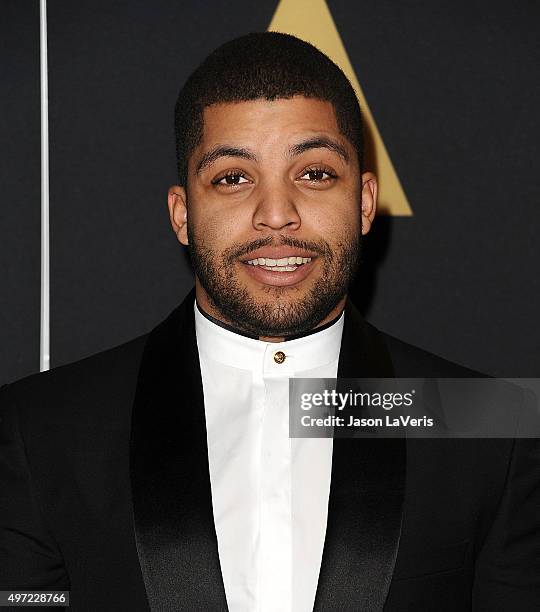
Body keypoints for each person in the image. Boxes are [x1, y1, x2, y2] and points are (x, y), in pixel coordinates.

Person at [0, 32, 538, 612]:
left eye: (314, 174)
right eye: (233, 177)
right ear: (182, 214)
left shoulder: (489, 427)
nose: (276, 215)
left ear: (363, 203)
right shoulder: (43, 430)